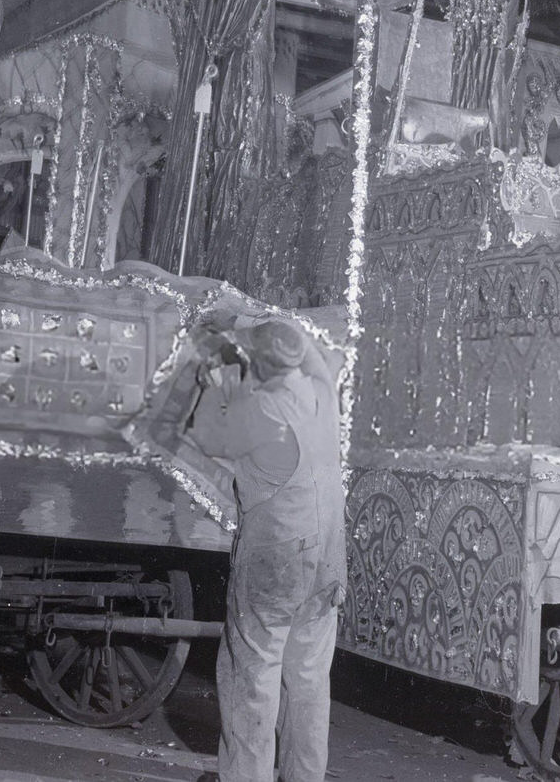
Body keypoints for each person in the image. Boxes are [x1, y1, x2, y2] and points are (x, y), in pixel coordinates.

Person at [185, 316, 346, 782]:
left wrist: (216, 377)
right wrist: (249, 327)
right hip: (328, 560)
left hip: (277, 561)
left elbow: (205, 435)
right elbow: (315, 351)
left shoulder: (262, 411)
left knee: (252, 678)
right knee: (310, 680)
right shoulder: (321, 392)